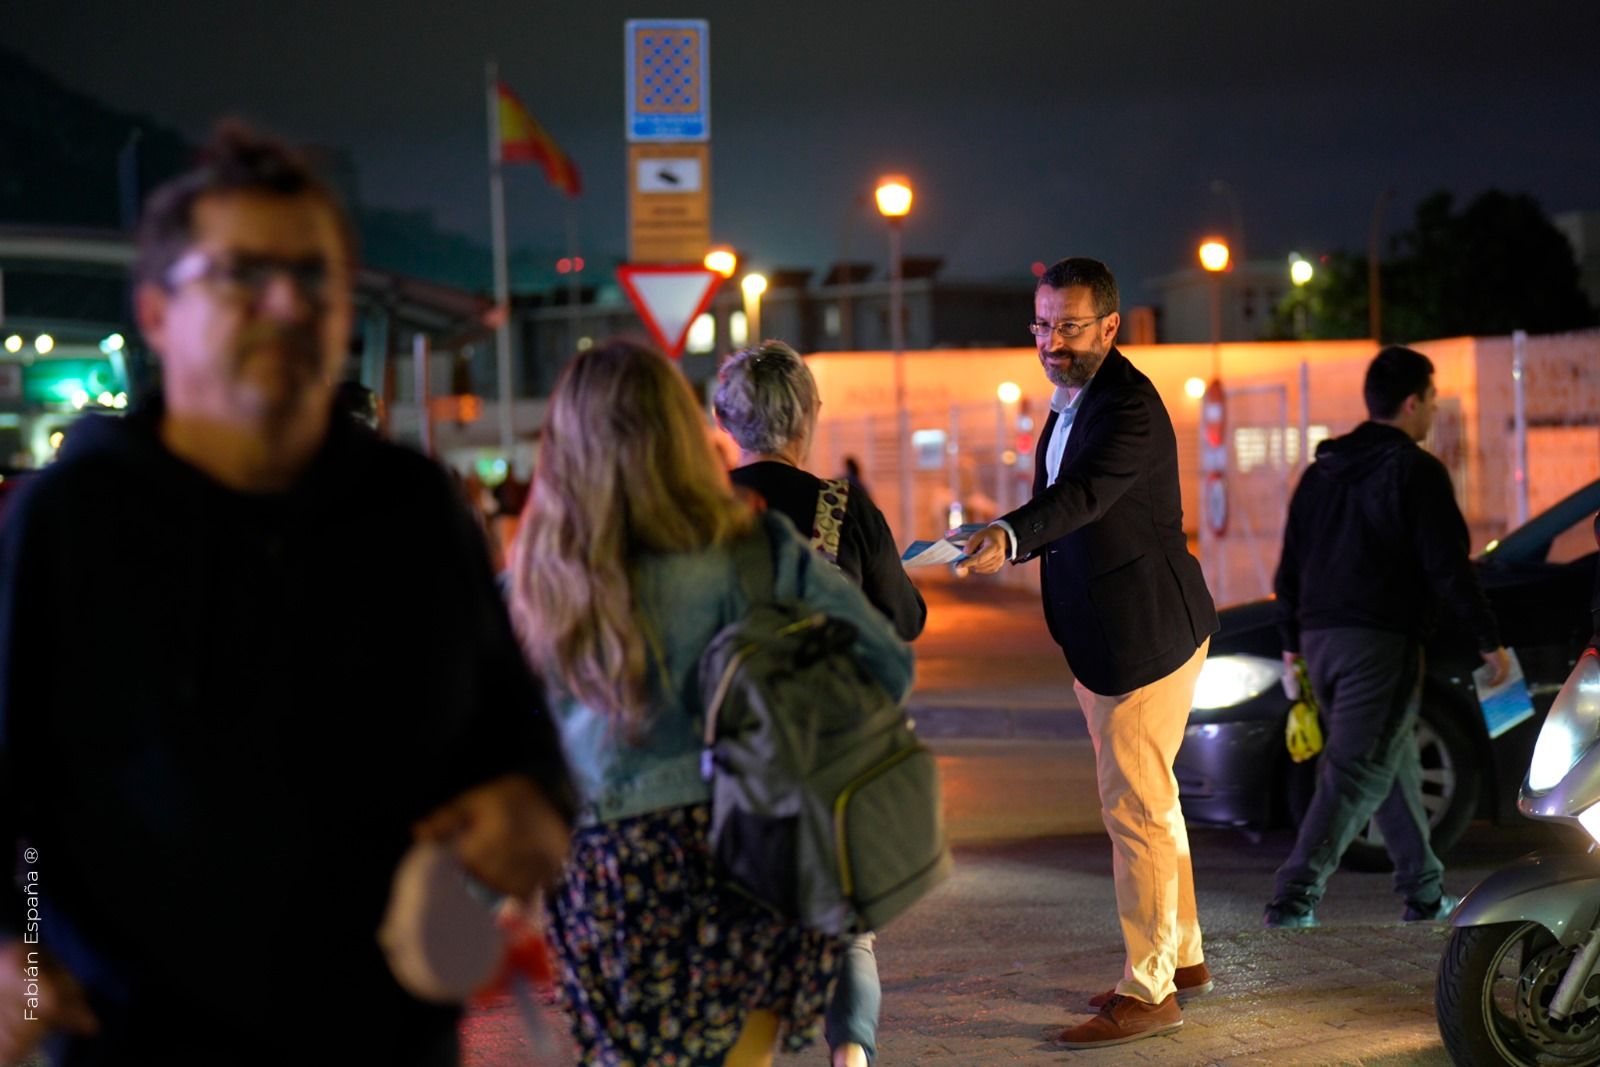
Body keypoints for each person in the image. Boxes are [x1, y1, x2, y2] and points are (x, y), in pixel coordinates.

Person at [0, 124, 576, 1066]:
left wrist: (523, 817)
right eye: (241, 275)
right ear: (155, 312)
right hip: (138, 1040)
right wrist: (17, 962)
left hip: (381, 1040)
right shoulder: (74, 522)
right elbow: (11, 793)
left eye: (317, 278)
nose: (287, 304)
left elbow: (524, 757)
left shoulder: (415, 511)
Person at [510, 339, 914, 1067]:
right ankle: (851, 1049)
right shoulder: (749, 539)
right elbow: (890, 648)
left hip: (598, 869)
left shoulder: (537, 569)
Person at [963, 257, 1218, 1050]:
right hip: (1113, 630)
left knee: (1134, 810)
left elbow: (1081, 498)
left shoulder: (1128, 408)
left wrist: (1008, 535)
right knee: (1153, 799)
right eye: (1042, 325)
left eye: (1069, 327)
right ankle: (1182, 958)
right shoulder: (1078, 396)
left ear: (1111, 325)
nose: (1051, 342)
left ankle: (1149, 991)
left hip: (1141, 637)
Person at [714, 340, 924, 1067]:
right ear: (808, 419)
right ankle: (851, 1058)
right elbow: (906, 619)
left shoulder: (700, 512)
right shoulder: (844, 507)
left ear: (725, 419)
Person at [1264, 346, 1510, 929]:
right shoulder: (1416, 471)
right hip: (1379, 645)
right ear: (1411, 402)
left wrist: (1291, 649)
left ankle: (1424, 895)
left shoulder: (1321, 473)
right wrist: (1488, 638)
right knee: (1356, 770)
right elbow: (1447, 565)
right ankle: (1293, 897)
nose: (1434, 410)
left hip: (1321, 645)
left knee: (1389, 761)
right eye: (1431, 399)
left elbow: (1290, 567)